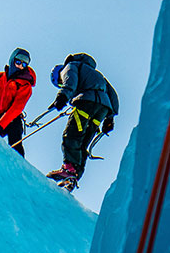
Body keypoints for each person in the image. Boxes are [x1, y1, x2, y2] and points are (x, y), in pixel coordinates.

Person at [46, 52, 119, 191]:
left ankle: (68, 169)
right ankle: (74, 176)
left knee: (71, 135)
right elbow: (113, 94)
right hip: (102, 109)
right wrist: (110, 118)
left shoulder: (70, 66)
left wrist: (63, 95)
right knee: (83, 142)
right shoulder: (96, 74)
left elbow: (70, 82)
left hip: (86, 102)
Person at [0, 48, 36, 157]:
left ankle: (19, 168)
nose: (20, 66)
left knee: (15, 144)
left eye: (24, 64)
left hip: (12, 118)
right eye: (18, 62)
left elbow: (16, 108)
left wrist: (1, 125)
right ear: (12, 60)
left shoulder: (24, 85)